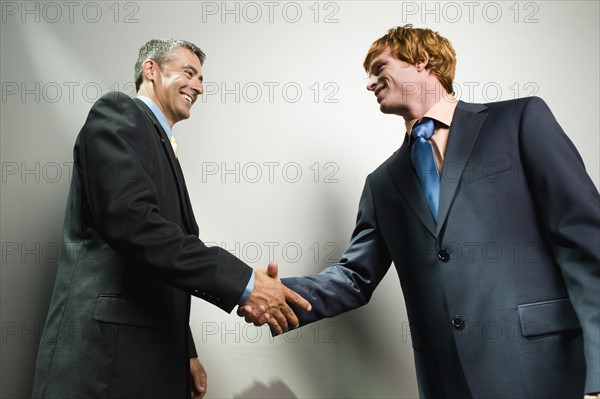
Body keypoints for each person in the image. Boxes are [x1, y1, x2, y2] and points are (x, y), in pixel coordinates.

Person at [243, 25, 600, 398]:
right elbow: (354, 278)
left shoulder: (519, 120)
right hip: (447, 381)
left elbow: (586, 242)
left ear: (421, 60)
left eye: (378, 67)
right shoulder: (382, 183)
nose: (368, 84)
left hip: (546, 368)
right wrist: (267, 292)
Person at [32, 39, 311, 399]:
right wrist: (245, 283)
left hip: (149, 357)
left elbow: (163, 263)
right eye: (189, 72)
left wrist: (186, 351)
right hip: (104, 361)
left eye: (201, 78)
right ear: (151, 70)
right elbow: (135, 227)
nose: (198, 86)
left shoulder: (161, 145)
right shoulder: (117, 113)